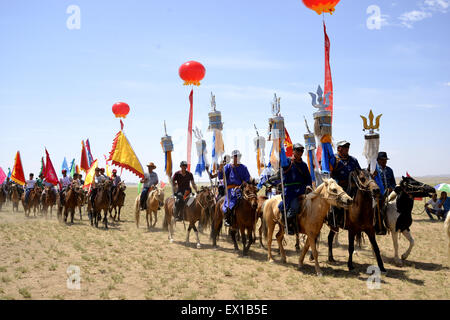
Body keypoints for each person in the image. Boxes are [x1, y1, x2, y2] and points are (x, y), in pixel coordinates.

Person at [278, 143, 312, 235]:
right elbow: (282, 159)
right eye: (298, 150)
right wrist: (280, 145)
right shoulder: (288, 162)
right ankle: (288, 225)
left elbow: (308, 178)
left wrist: (308, 185)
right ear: (293, 151)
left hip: (302, 190)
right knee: (294, 207)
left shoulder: (304, 165)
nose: (300, 152)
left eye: (301, 150)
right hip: (290, 191)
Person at [329, 141, 361, 230]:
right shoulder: (334, 159)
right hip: (339, 187)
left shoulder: (353, 160)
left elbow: (359, 172)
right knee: (336, 205)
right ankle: (335, 221)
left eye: (347, 147)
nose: (347, 149)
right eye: (344, 147)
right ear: (339, 148)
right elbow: (328, 171)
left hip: (353, 187)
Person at [213, 150, 251, 227]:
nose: (237, 158)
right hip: (230, 189)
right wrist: (220, 169)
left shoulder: (244, 167)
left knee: (250, 201)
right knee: (231, 202)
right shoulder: (227, 167)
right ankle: (228, 219)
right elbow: (220, 177)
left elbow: (247, 178)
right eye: (235, 156)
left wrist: (244, 182)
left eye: (238, 156)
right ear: (233, 157)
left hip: (241, 189)